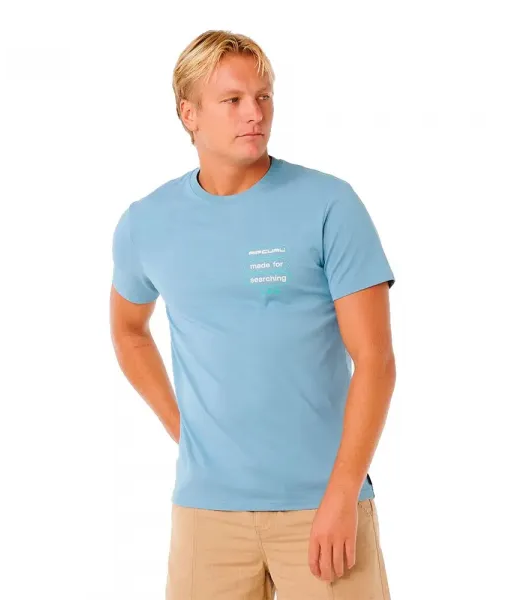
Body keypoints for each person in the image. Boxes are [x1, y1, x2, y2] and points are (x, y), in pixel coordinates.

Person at [110, 29, 395, 600]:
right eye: (233, 100)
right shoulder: (147, 222)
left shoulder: (329, 204)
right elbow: (128, 329)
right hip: (206, 513)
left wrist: (343, 494)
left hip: (321, 506)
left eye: (263, 96)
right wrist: (184, 429)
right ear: (189, 114)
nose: (254, 113)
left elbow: (376, 360)